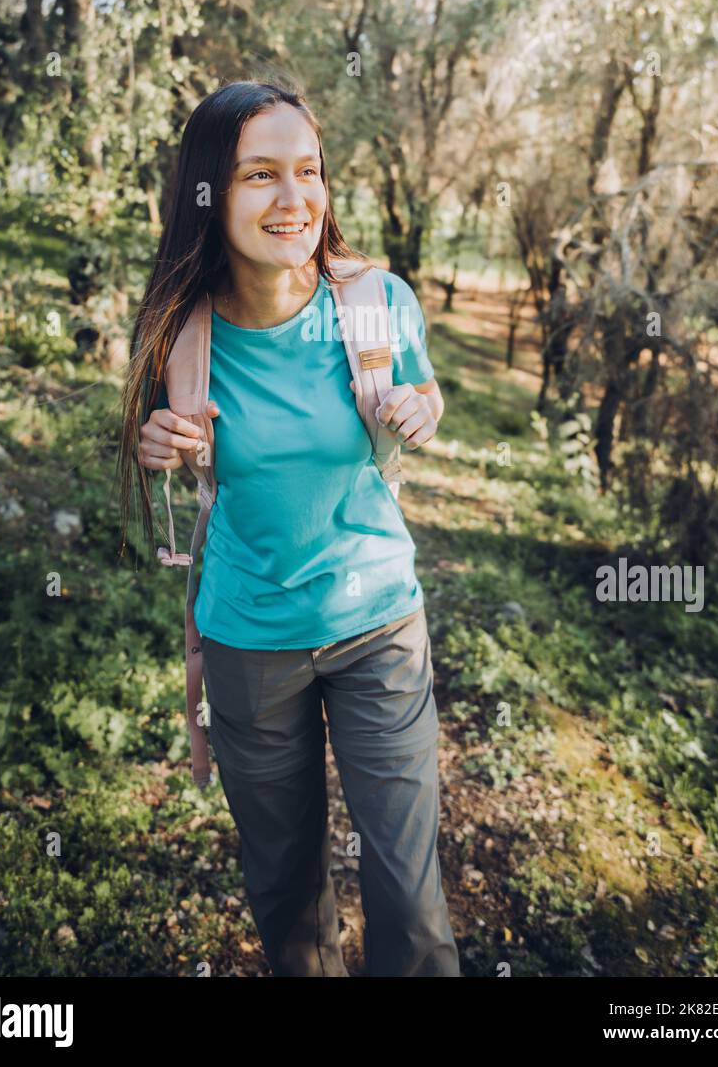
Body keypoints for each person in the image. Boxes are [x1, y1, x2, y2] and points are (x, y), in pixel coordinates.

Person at [118, 79, 460, 978]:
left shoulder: (376, 299)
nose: (294, 198)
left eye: (307, 171)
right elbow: (165, 437)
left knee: (410, 894)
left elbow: (422, 388)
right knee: (285, 889)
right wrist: (158, 439)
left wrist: (422, 406)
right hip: (249, 641)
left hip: (381, 625)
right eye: (260, 174)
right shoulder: (176, 333)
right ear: (207, 193)